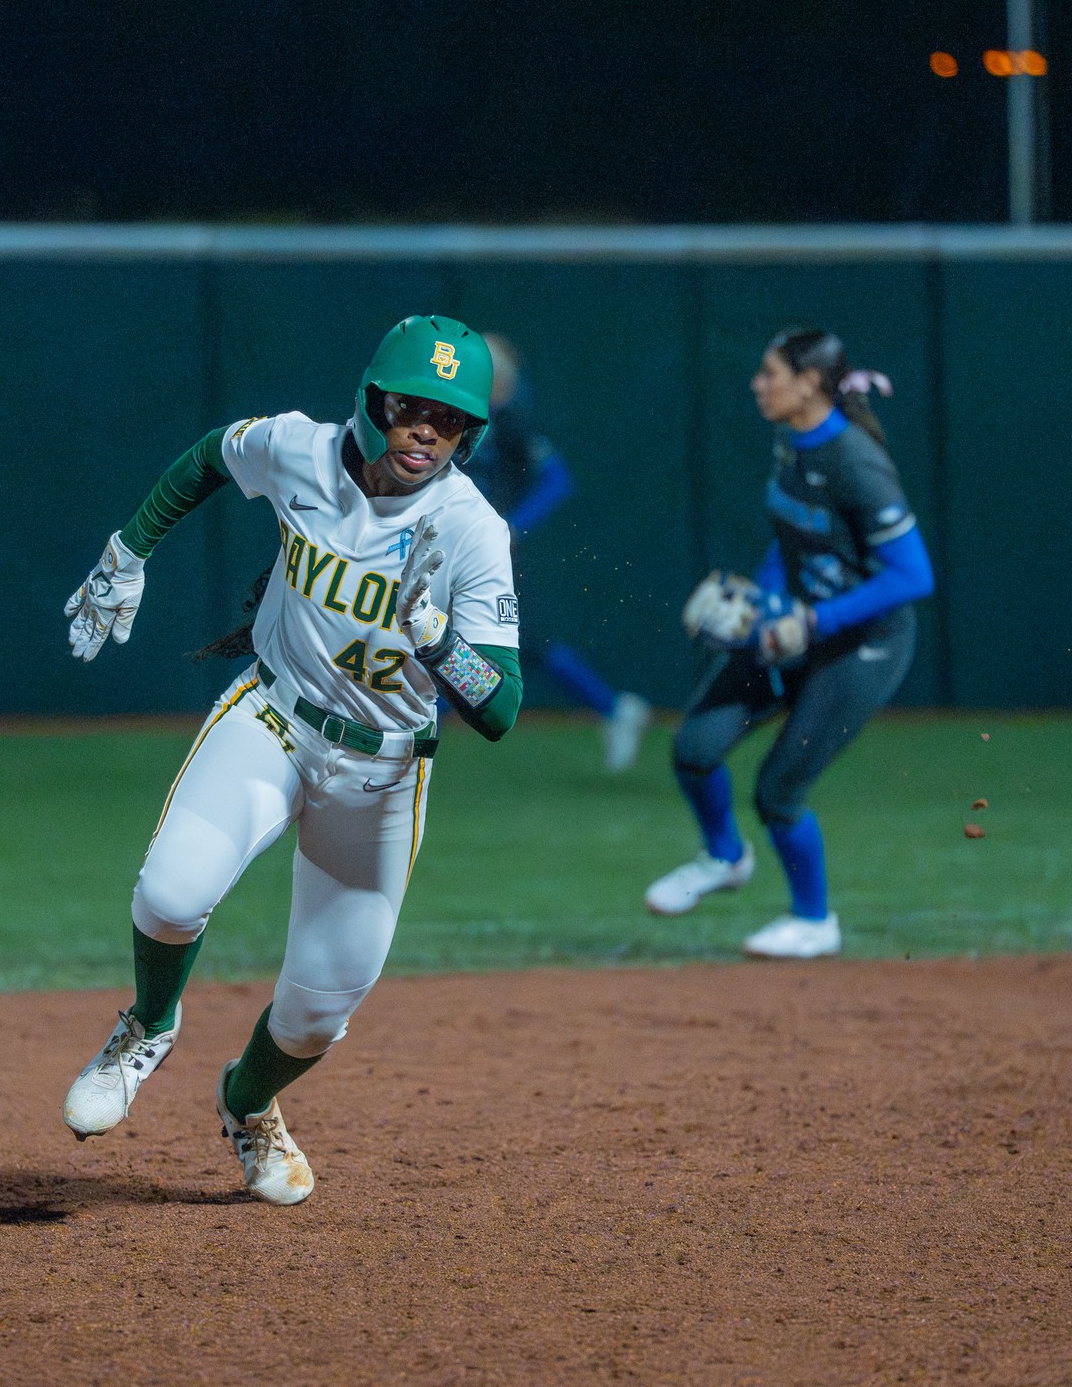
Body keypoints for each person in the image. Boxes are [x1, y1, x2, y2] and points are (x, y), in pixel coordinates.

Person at [58, 315, 522, 1205]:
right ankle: (148, 1027)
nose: (428, 430)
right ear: (371, 400)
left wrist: (435, 639)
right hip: (274, 718)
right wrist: (130, 548)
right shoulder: (298, 450)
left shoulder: (471, 530)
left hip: (382, 777)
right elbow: (208, 457)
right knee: (168, 894)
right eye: (411, 408)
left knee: (317, 1014)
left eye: (452, 420)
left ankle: (247, 1104)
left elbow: (500, 708)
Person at [647, 327, 935, 959]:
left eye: (769, 372)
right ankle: (724, 857)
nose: (758, 383)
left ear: (809, 384)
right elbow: (795, 539)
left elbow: (914, 576)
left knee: (778, 791)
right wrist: (765, 598)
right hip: (799, 625)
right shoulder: (791, 438)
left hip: (863, 647)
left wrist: (808, 623)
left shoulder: (854, 460)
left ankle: (814, 920)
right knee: (695, 747)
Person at [464, 332, 651, 771]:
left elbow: (557, 479)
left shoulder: (509, 423)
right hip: (456, 545)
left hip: (489, 551)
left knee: (511, 641)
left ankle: (612, 708)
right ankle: (613, 708)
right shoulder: (460, 416)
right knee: (466, 640)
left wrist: (513, 527)